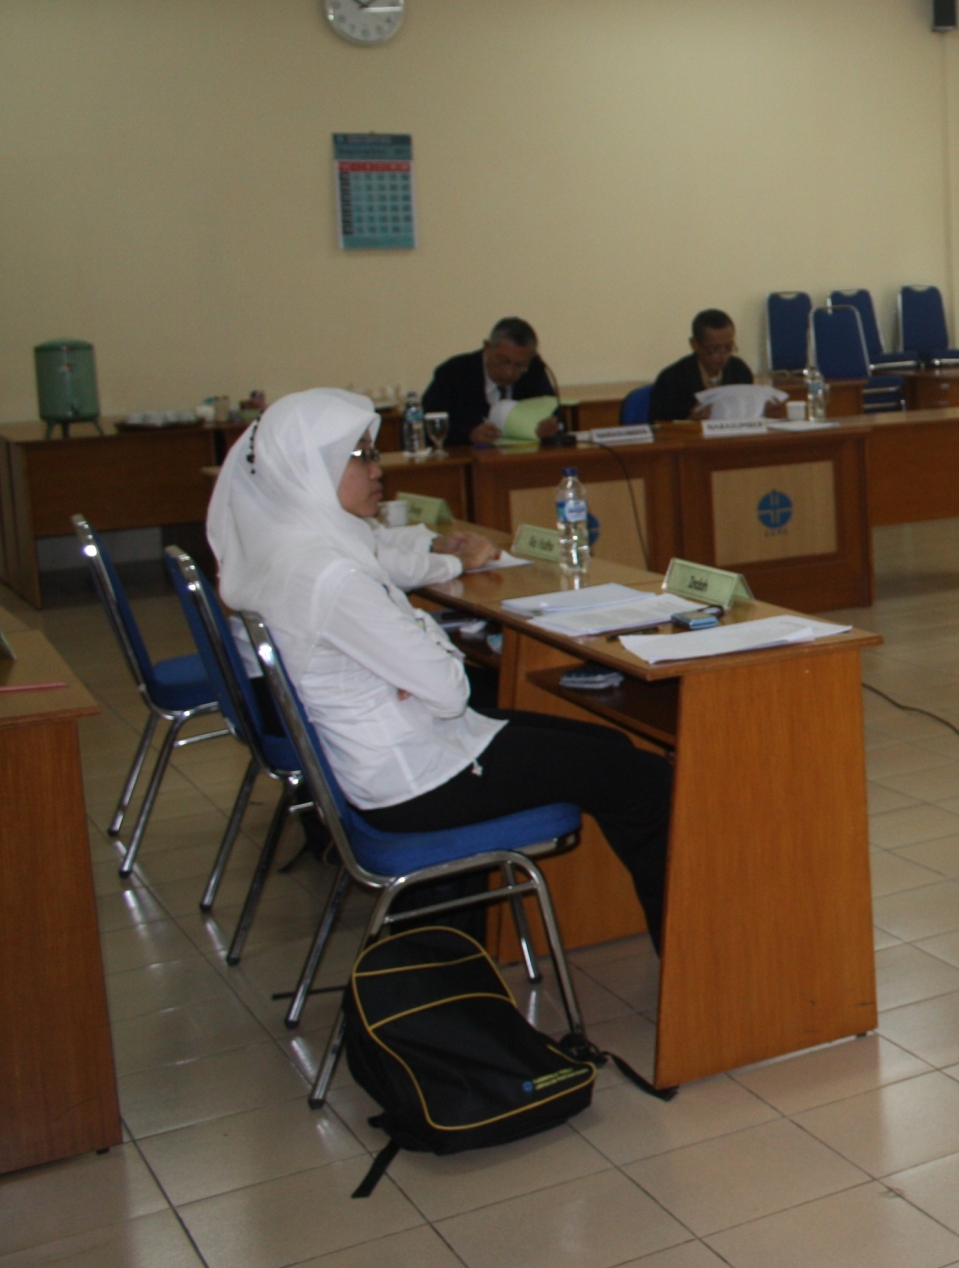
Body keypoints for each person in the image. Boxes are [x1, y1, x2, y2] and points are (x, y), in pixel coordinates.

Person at [209, 389, 673, 946]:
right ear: (312, 467)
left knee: (611, 746)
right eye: (361, 456)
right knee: (646, 781)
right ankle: (685, 955)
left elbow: (426, 679)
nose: (378, 470)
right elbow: (450, 692)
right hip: (417, 780)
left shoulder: (289, 548)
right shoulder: (330, 576)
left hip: (398, 753)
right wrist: (425, 640)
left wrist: (411, 653)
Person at [423, 318, 561, 447]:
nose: (509, 372)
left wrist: (549, 429)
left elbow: (555, 414)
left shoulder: (533, 371)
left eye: (519, 366)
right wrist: (469, 435)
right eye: (503, 361)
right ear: (487, 348)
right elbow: (429, 427)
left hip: (520, 457)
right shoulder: (453, 373)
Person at [646, 308, 755, 423]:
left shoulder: (739, 371)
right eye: (714, 348)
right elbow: (659, 427)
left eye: (728, 347)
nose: (722, 355)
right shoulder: (671, 379)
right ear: (694, 344)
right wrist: (690, 422)